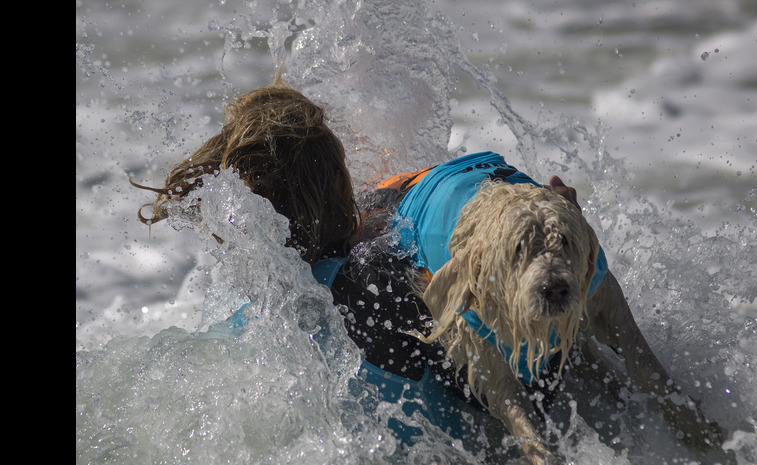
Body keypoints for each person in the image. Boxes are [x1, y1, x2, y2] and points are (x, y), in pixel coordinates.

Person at [132, 80, 581, 446]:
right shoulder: (379, 281)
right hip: (451, 462)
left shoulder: (246, 289)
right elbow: (522, 390)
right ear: (339, 186)